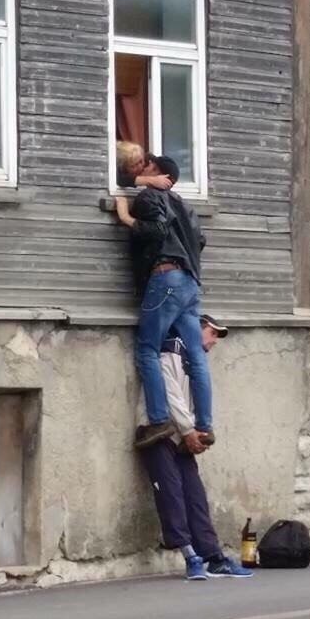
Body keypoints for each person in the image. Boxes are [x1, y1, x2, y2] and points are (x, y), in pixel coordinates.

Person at [136, 315, 252, 580]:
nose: (215, 341)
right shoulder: (171, 352)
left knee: (195, 496)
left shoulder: (194, 362)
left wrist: (196, 432)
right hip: (159, 432)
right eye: (212, 333)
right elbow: (170, 394)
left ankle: (213, 557)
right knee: (171, 493)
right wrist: (189, 429)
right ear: (195, 329)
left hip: (181, 435)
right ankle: (190, 557)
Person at [114, 156, 214, 449]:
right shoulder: (185, 205)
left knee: (148, 349)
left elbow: (156, 231)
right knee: (196, 355)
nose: (142, 168)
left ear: (158, 173)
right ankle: (205, 425)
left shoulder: (149, 197)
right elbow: (200, 241)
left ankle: (159, 420)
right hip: (190, 284)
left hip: (166, 279)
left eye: (147, 166)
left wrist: (126, 218)